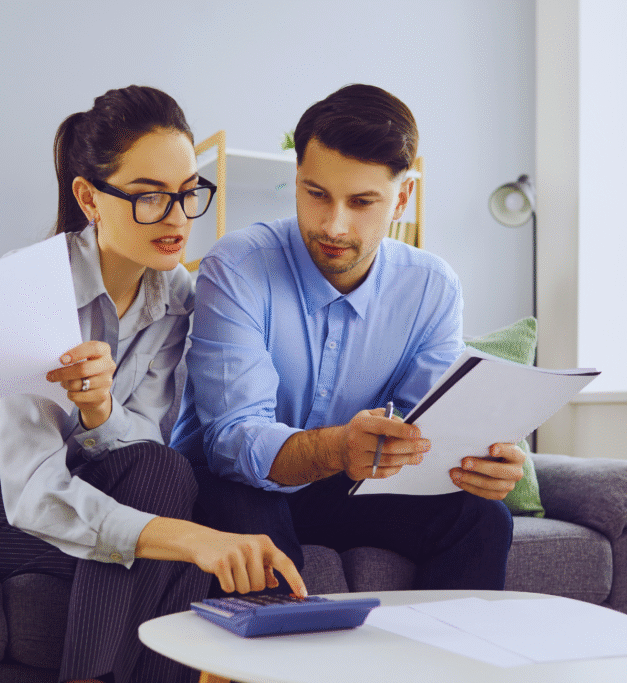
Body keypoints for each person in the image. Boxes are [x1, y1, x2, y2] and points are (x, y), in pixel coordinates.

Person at [0, 85, 304, 683]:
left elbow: (143, 453)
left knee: (166, 476)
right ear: (89, 198)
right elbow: (36, 494)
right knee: (169, 548)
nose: (178, 217)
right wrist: (192, 540)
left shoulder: (177, 297)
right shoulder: (27, 289)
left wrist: (101, 412)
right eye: (150, 197)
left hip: (86, 479)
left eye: (187, 193)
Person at [171, 83, 525, 595]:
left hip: (347, 487)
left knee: (482, 517)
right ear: (296, 179)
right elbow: (232, 441)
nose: (333, 225)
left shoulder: (431, 286)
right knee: (256, 526)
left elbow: (424, 427)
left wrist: (477, 460)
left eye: (362, 202)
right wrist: (339, 448)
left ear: (402, 197)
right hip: (233, 482)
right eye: (316, 194)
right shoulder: (238, 266)